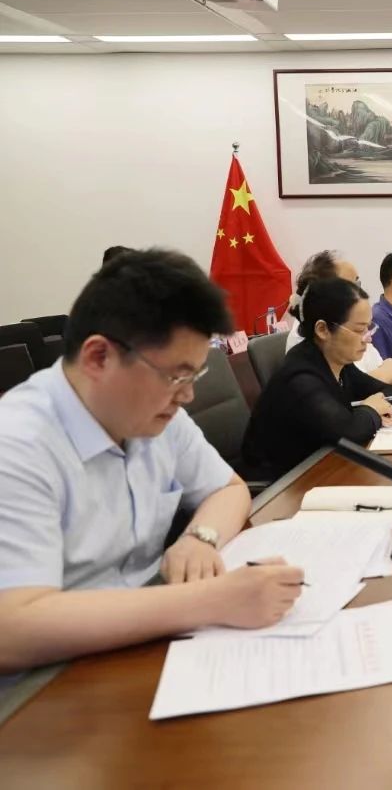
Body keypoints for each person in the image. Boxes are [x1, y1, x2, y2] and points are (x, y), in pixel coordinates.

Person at [0, 249, 302, 676]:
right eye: (176, 376)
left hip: (146, 644)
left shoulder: (157, 415)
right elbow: (13, 629)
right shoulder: (17, 445)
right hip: (51, 681)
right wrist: (212, 601)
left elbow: (229, 489)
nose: (188, 396)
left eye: (194, 376)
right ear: (99, 357)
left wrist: (200, 537)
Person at [243, 277, 392, 481]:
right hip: (283, 484)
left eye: (369, 328)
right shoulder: (300, 376)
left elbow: (388, 394)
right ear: (323, 330)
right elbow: (349, 432)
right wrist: (370, 411)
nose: (368, 338)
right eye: (359, 330)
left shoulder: (339, 361)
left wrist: (369, 413)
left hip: (319, 465)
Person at [284, 250, 392, 395]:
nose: (358, 292)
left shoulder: (347, 327)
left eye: (358, 284)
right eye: (351, 286)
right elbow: (348, 390)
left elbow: (371, 377)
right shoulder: (310, 337)